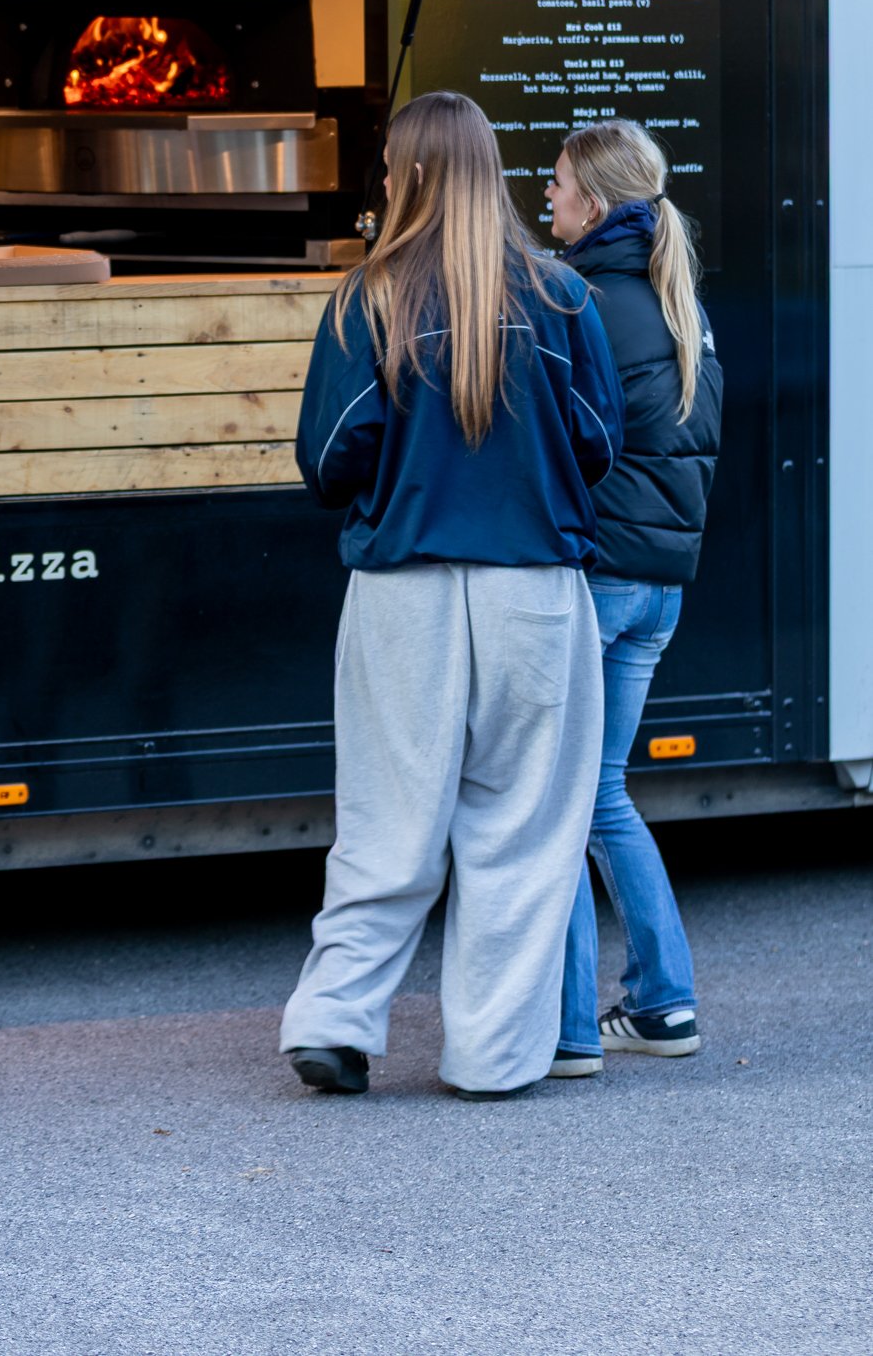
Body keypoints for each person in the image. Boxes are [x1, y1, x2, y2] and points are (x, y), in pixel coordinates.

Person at [279, 91, 624, 1100]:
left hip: (403, 591)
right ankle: (489, 1058)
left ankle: (334, 1022)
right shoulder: (561, 296)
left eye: (386, 168)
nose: (381, 183)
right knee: (517, 833)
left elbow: (326, 457)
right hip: (533, 591)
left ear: (409, 176)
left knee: (387, 820)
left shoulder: (364, 299)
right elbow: (598, 445)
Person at [546, 121, 722, 1078]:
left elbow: (561, 447)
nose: (547, 200)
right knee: (602, 792)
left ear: (598, 201)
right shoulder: (679, 302)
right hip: (660, 588)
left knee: (559, 802)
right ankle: (662, 1004)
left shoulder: (583, 300)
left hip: (601, 579)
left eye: (560, 185)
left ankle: (573, 1029)